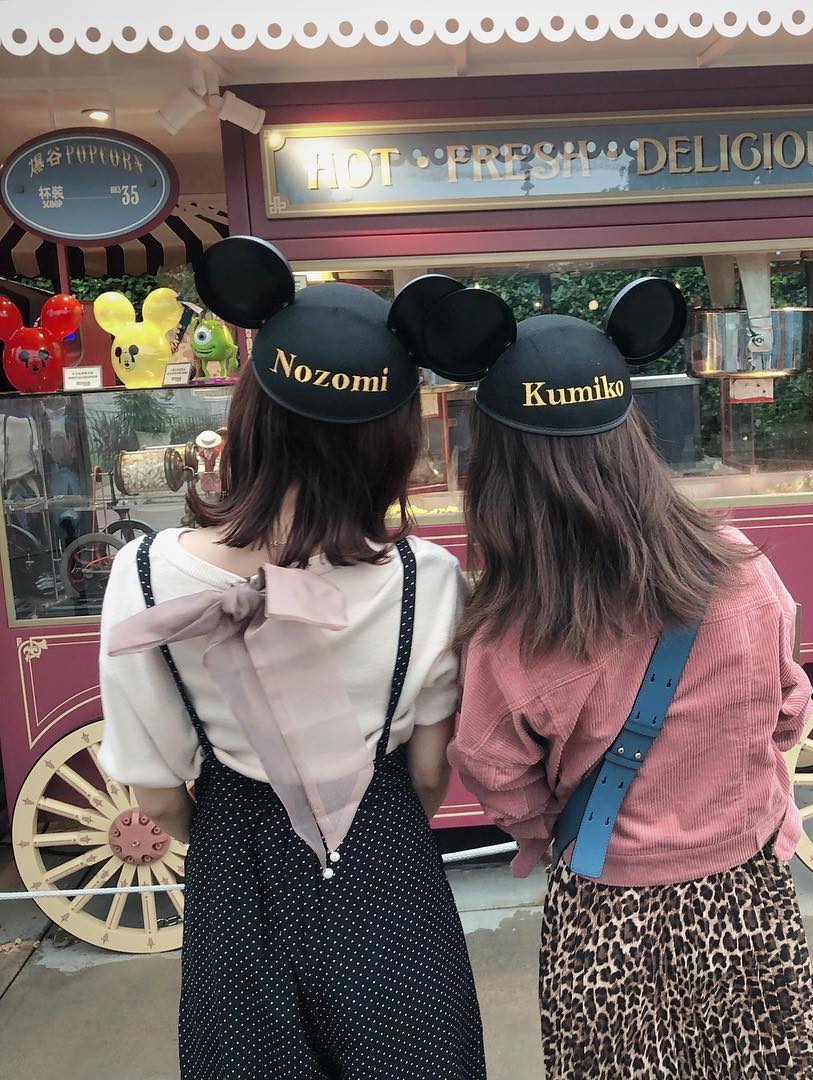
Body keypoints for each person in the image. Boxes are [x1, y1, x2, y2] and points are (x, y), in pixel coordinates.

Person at [98, 236, 487, 1080]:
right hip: (385, 864)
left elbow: (156, 795)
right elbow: (428, 772)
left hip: (236, 874)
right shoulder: (427, 577)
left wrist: (236, 844)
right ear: (389, 438)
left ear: (253, 412)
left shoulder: (142, 573)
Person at [439, 280, 813, 1078]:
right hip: (749, 892)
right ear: (631, 436)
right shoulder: (745, 570)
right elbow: (787, 711)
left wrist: (552, 825)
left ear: (499, 469)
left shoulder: (514, 632)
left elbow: (493, 769)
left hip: (605, 909)